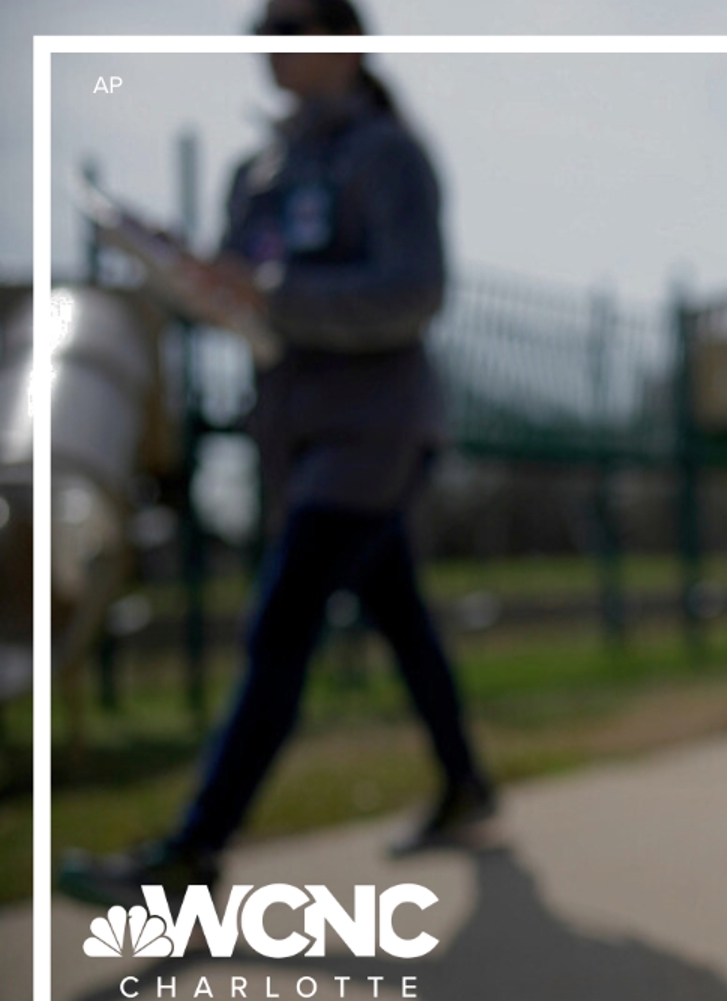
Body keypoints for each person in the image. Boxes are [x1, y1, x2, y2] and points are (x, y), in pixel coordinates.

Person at [60, 0, 493, 910]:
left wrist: (272, 290)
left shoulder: (387, 156)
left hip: (372, 431)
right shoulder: (256, 173)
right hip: (295, 436)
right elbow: (245, 305)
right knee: (400, 617)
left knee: (280, 627)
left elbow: (413, 293)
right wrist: (186, 274)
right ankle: (466, 782)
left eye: (289, 29)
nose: (268, 48)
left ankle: (193, 849)